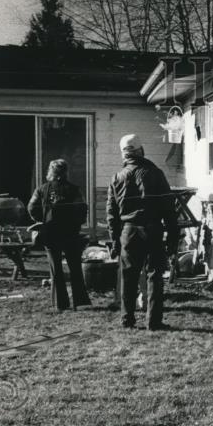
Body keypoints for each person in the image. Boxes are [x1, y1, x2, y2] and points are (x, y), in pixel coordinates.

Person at [107, 134, 178, 329]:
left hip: (128, 231)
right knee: (154, 274)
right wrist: (173, 237)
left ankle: (127, 319)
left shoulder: (116, 178)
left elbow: (111, 215)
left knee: (128, 276)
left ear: (124, 155)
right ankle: (153, 321)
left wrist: (114, 241)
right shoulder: (156, 174)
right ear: (141, 151)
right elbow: (169, 208)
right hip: (153, 228)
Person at [28, 159, 91, 311]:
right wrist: (77, 223)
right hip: (70, 233)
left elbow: (32, 207)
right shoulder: (74, 189)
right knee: (75, 267)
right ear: (66, 172)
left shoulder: (42, 189)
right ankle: (80, 301)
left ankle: (60, 303)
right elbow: (82, 208)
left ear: (51, 171)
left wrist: (40, 219)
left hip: (50, 233)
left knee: (55, 268)